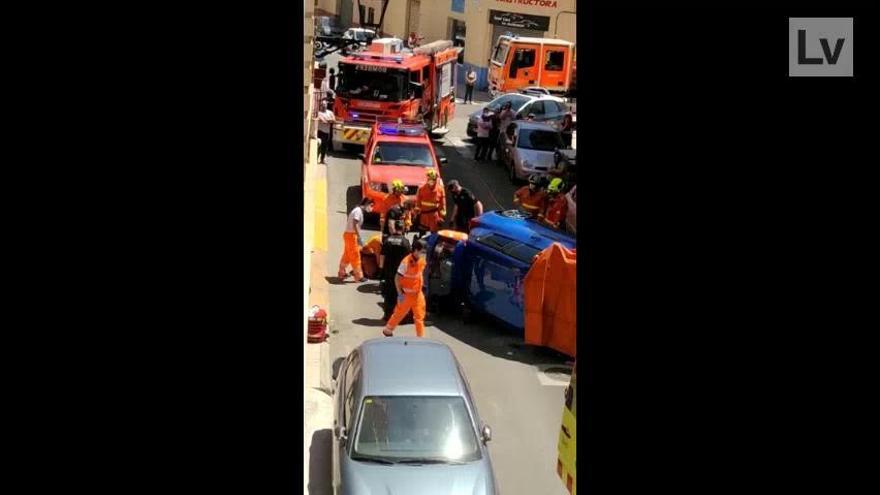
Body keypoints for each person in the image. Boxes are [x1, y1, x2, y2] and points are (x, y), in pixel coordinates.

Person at [383, 239, 428, 337]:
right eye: (422, 252)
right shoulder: (405, 262)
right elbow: (397, 278)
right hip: (406, 295)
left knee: (419, 316)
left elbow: (420, 274)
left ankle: (421, 337)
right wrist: (399, 293)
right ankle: (388, 330)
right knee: (399, 313)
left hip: (417, 294)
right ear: (416, 250)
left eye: (424, 252)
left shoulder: (422, 260)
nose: (423, 254)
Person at [380, 221, 412, 321]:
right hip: (401, 273)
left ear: (394, 227)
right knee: (400, 294)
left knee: (389, 293)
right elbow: (409, 259)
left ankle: (387, 315)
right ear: (402, 229)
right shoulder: (405, 242)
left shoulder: (387, 240)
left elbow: (382, 257)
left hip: (389, 272)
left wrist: (381, 269)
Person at [338, 197, 374, 282]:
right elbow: (355, 224)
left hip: (348, 235)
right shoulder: (358, 211)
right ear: (366, 204)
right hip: (351, 236)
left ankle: (341, 272)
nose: (371, 208)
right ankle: (359, 276)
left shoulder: (357, 210)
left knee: (347, 255)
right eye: (371, 205)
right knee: (355, 256)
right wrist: (359, 237)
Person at [415, 169, 446, 234]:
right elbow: (418, 202)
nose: (431, 181)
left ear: (436, 180)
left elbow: (442, 205)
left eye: (433, 179)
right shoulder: (421, 189)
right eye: (430, 179)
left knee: (434, 233)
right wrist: (416, 213)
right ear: (427, 179)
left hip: (434, 216)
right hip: (424, 215)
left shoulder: (440, 189)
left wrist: (442, 217)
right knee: (422, 233)